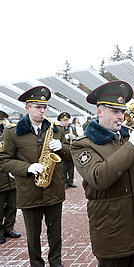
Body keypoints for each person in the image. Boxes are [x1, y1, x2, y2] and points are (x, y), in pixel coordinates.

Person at [70, 80, 134, 267]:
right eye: (114, 112)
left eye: (122, 112)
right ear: (99, 112)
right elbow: (100, 178)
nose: (121, 117)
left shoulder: (127, 138)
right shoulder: (83, 144)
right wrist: (133, 145)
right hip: (112, 233)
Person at [0, 86, 70, 267]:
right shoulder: (13, 132)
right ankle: (36, 264)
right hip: (29, 191)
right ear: (27, 108)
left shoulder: (56, 130)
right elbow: (3, 160)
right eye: (38, 107)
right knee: (33, 235)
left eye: (44, 107)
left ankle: (56, 263)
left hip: (53, 189)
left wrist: (61, 148)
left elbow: (71, 155)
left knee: (55, 233)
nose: (42, 111)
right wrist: (27, 167)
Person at [0, 111, 21, 244]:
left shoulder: (9, 134)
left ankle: (9, 228)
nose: (2, 122)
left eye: (3, 120)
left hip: (11, 178)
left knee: (12, 205)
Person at [57, 112, 78, 189]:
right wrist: (66, 137)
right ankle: (65, 182)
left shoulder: (71, 128)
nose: (66, 122)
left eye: (67, 120)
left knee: (71, 167)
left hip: (71, 150)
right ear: (61, 121)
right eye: (64, 121)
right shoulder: (59, 129)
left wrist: (74, 136)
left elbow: (77, 136)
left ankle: (70, 181)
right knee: (63, 168)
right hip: (63, 150)